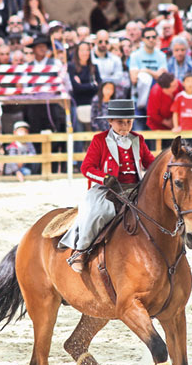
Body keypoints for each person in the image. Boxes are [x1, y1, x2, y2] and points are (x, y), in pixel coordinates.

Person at [60, 99, 155, 273]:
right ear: (110, 121)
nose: (125, 126)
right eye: (120, 122)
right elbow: (86, 168)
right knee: (100, 213)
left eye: (129, 122)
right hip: (107, 189)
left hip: (136, 188)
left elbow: (151, 163)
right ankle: (80, 250)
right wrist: (103, 178)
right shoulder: (99, 140)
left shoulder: (138, 139)